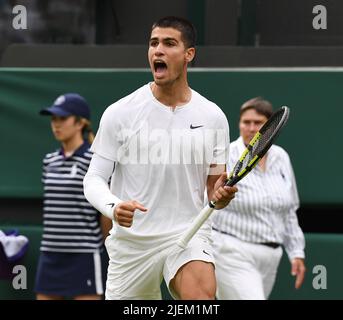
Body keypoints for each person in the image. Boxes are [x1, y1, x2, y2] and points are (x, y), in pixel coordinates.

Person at [83, 16, 238, 300]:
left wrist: (220, 194)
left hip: (187, 233)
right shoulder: (120, 113)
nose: (158, 51)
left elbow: (214, 183)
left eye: (169, 43)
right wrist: (113, 206)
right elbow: (93, 178)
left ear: (189, 54)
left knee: (200, 300)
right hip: (133, 246)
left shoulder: (213, 117)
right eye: (154, 43)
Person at [212, 97, 306, 300]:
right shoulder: (225, 155)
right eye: (246, 122)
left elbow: (289, 211)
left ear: (268, 128)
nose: (251, 128)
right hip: (231, 253)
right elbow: (208, 199)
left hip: (271, 257)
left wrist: (296, 252)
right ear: (239, 124)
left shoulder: (281, 157)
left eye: (258, 123)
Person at [35, 93, 112, 300]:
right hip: (50, 253)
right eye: (53, 119)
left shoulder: (94, 161)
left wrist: (110, 248)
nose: (56, 125)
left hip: (85, 255)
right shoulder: (48, 161)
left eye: (62, 118)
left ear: (80, 123)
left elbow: (105, 212)